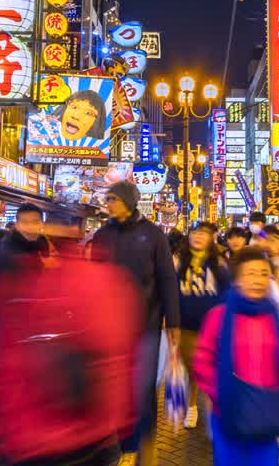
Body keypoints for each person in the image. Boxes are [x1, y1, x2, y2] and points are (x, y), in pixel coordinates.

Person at [0, 218, 142, 466]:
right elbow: (120, 359)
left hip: (29, 437)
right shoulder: (106, 281)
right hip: (89, 433)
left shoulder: (17, 285)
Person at [89, 180, 181, 466]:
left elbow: (167, 279)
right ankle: (127, 447)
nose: (109, 203)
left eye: (113, 198)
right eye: (108, 198)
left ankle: (145, 448)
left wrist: (173, 321)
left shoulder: (153, 234)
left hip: (146, 325)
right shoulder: (103, 235)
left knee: (141, 389)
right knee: (116, 388)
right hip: (111, 327)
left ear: (128, 200)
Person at [193, 247, 279, 466]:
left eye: (263, 273)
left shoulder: (274, 316)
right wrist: (221, 391)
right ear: (237, 279)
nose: (258, 279)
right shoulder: (218, 317)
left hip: (266, 411)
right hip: (229, 412)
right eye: (250, 273)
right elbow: (202, 361)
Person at [173, 221, 230, 429]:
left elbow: (227, 291)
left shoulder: (218, 262)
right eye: (194, 233)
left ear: (211, 238)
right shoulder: (180, 261)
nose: (197, 237)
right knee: (193, 369)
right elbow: (172, 290)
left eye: (203, 234)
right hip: (186, 325)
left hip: (212, 327)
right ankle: (193, 406)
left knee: (211, 368)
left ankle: (208, 408)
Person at [0, 205, 51, 277]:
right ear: (17, 225)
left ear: (42, 224)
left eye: (35, 222)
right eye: (25, 222)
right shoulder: (7, 249)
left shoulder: (43, 242)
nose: (30, 226)